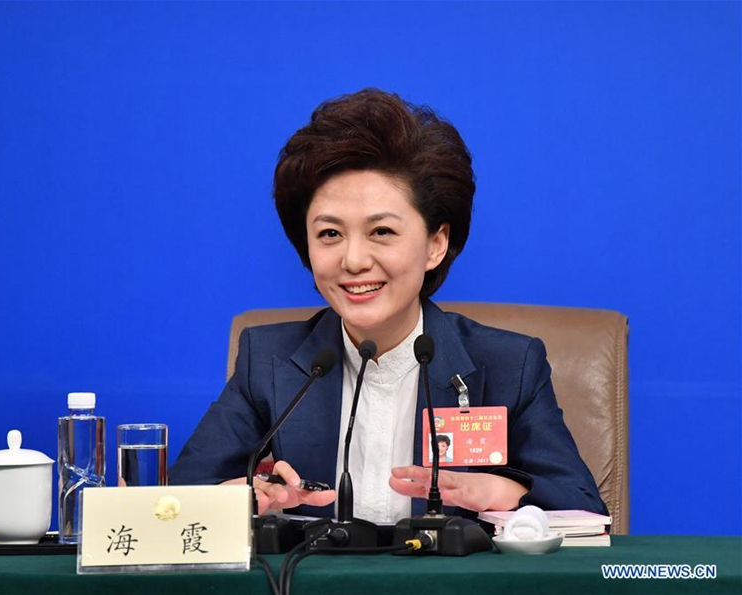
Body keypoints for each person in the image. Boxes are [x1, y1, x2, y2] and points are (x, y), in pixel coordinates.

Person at [169, 89, 608, 523]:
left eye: (381, 231)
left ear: (436, 244)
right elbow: (175, 504)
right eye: (329, 234)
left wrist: (502, 491)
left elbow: (583, 506)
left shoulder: (508, 364)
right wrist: (240, 497)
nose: (354, 261)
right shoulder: (269, 362)